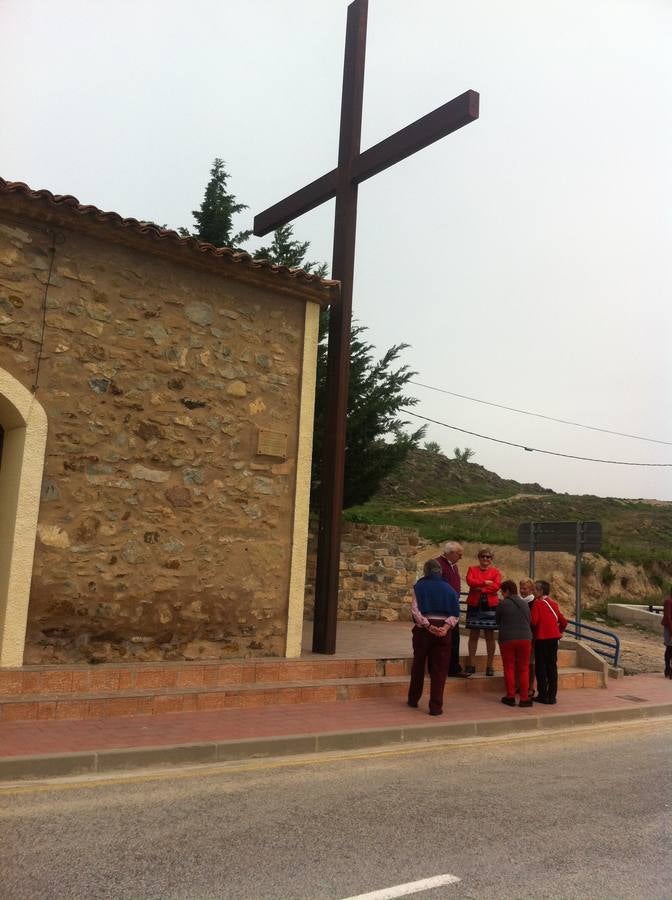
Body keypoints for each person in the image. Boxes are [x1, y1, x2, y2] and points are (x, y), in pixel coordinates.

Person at [408, 558, 460, 716]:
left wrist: (428, 625)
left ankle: (413, 698)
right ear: (440, 572)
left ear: (425, 571)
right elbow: (455, 614)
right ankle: (436, 706)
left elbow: (415, 610)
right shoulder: (450, 589)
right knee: (440, 669)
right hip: (443, 631)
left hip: (423, 631)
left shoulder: (419, 587)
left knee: (418, 665)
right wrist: (445, 628)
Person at [496, 580, 533, 707]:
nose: (502, 594)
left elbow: (497, 620)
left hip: (507, 639)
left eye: (502, 592)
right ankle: (524, 698)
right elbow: (529, 620)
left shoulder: (503, 603)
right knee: (524, 668)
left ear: (507, 591)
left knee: (509, 667)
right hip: (525, 638)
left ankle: (510, 696)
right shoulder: (524, 604)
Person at [530, 580, 568, 705]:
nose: (533, 592)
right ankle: (552, 696)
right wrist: (559, 632)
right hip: (553, 639)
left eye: (535, 589)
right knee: (552, 667)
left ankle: (543, 695)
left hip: (541, 639)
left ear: (541, 591)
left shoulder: (537, 603)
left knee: (541, 667)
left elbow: (534, 621)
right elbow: (564, 622)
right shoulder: (553, 603)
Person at [465, 548, 502, 676]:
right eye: (483, 556)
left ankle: (489, 666)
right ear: (479, 558)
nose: (485, 558)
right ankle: (471, 664)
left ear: (491, 559)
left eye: (488, 557)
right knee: (473, 634)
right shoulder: (471, 569)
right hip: (474, 604)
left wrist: (480, 588)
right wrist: (485, 583)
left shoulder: (496, 572)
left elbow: (496, 586)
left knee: (489, 636)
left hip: (490, 605)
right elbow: (470, 582)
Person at [435, 541, 469, 677]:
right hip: (442, 608)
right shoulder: (437, 564)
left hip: (453, 607)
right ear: (451, 553)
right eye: (459, 554)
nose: (461, 557)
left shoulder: (454, 566)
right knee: (441, 640)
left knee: (454, 639)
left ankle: (453, 668)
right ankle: (439, 668)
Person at [519, 578, 536, 699]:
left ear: (531, 590)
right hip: (520, 636)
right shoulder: (519, 602)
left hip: (531, 637)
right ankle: (521, 685)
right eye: (521, 588)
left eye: (525, 588)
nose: (522, 590)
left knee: (531, 663)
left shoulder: (535, 603)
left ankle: (531, 687)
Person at [662, 592, 672, 679]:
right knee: (669, 648)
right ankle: (668, 669)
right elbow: (668, 616)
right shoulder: (668, 601)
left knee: (669, 649)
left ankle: (668, 669)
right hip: (669, 627)